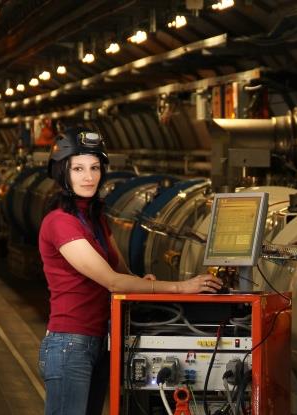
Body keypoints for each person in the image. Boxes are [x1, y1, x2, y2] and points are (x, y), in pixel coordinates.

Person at [37, 127, 223, 415]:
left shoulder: (95, 218)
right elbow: (112, 281)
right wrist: (181, 287)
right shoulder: (60, 222)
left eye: (95, 167)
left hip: (99, 340)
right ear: (63, 172)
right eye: (78, 168)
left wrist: (139, 282)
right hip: (70, 344)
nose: (88, 177)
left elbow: (123, 272)